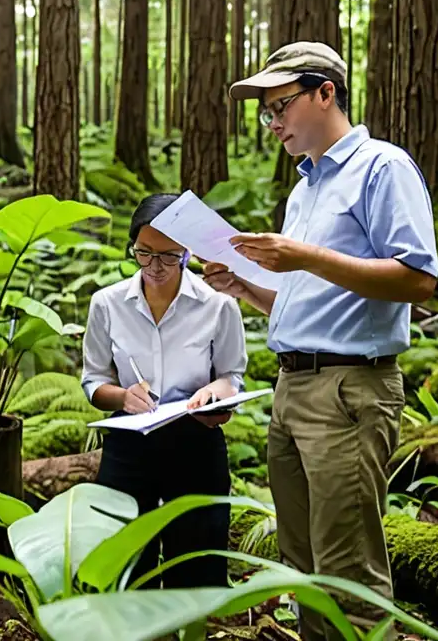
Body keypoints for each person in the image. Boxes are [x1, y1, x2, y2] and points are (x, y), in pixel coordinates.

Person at [204, 41, 438, 641]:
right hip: (293, 387)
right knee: (302, 563)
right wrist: (248, 289)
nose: (273, 124)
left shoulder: (381, 168)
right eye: (266, 113)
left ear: (325, 92)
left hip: (348, 393)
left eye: (281, 105)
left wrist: (303, 255)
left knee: (348, 572)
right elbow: (317, 303)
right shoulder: (303, 190)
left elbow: (418, 278)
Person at [80, 194, 248, 590]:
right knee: (123, 566)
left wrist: (214, 396)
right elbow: (93, 381)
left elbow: (231, 376)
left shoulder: (218, 304)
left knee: (195, 568)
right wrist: (122, 398)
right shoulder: (106, 304)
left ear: (188, 252)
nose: (155, 267)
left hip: (196, 445)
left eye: (169, 256)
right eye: (144, 253)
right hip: (129, 447)